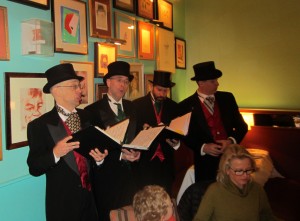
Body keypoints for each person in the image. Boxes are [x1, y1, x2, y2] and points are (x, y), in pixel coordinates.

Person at [27, 63, 108, 221]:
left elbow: (96, 155)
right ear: (56, 90)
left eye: (79, 86)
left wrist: (99, 160)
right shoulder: (39, 126)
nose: (80, 90)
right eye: (74, 86)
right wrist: (55, 153)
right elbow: (34, 167)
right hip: (63, 207)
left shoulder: (89, 116)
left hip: (93, 202)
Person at [84, 61, 141, 221]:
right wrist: (120, 156)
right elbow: (93, 150)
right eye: (118, 80)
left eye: (126, 81)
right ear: (108, 82)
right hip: (108, 180)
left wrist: (138, 152)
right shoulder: (92, 111)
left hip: (132, 178)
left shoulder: (132, 107)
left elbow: (136, 137)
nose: (123, 85)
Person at [178, 61, 248, 182]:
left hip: (231, 158)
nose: (217, 83)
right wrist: (203, 147)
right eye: (213, 81)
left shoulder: (228, 98)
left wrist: (230, 141)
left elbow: (242, 126)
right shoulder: (185, 105)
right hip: (205, 163)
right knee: (207, 195)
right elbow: (185, 135)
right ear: (201, 83)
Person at [193, 144, 276, 221]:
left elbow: (268, 217)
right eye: (239, 171)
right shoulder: (214, 191)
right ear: (227, 170)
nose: (245, 176)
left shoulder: (257, 189)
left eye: (248, 170)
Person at [133, 70, 179, 195]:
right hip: (144, 164)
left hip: (166, 164)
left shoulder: (174, 107)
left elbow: (178, 133)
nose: (162, 94)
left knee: (165, 199)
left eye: (165, 91)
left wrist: (175, 142)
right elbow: (133, 133)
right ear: (151, 87)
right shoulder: (137, 105)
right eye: (159, 89)